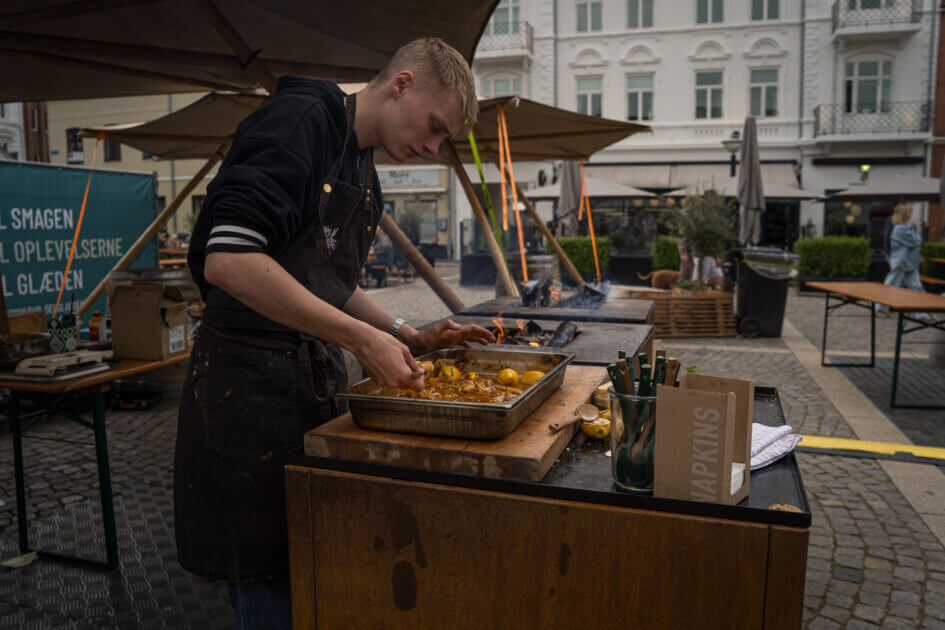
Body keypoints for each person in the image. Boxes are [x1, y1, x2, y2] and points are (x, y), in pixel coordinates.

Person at [174, 37, 494, 629]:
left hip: (304, 389)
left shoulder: (360, 165)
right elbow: (231, 260)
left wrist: (407, 332)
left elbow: (327, 282)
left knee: (314, 575)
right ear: (401, 83)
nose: (429, 146)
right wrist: (359, 340)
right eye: (433, 127)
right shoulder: (300, 122)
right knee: (269, 586)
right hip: (245, 396)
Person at [876, 203, 931, 321]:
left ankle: (922, 313)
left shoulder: (906, 227)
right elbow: (916, 241)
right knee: (891, 286)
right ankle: (880, 309)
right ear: (905, 214)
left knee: (916, 287)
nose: (911, 214)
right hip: (901, 263)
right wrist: (916, 238)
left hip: (910, 263)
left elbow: (916, 240)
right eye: (910, 212)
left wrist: (916, 239)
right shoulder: (900, 229)